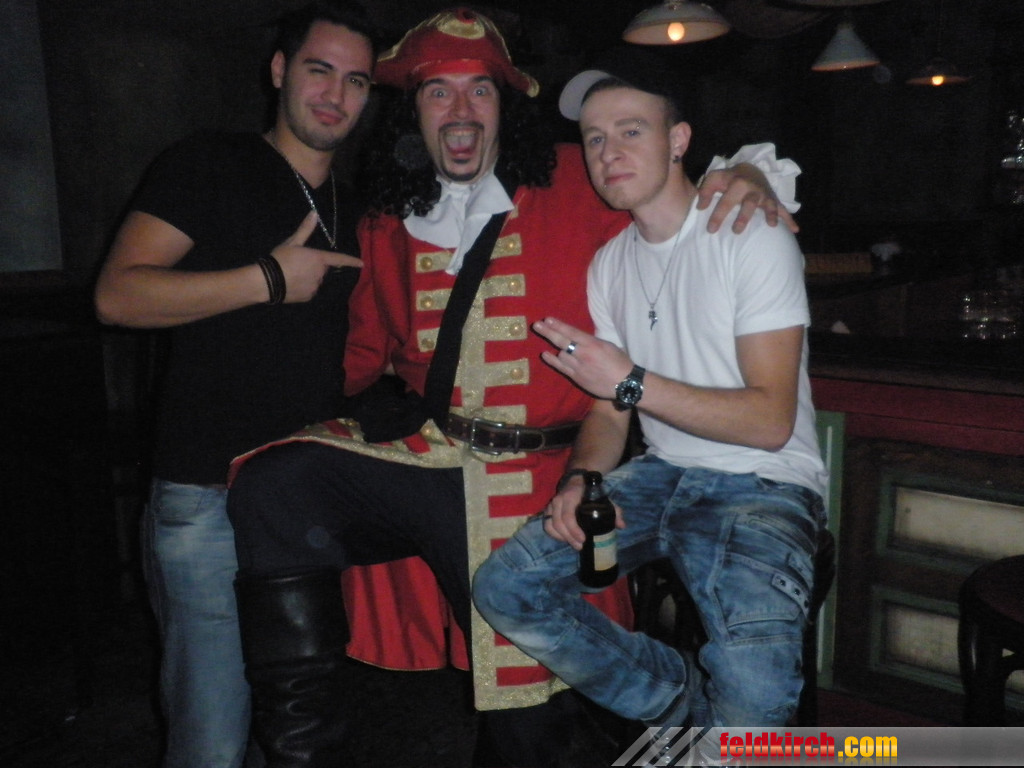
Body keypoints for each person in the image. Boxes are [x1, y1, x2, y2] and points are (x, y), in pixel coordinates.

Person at [226, 8, 798, 766]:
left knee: (530, 724)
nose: (460, 110)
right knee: (275, 483)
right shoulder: (387, 222)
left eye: (481, 91)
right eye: (438, 92)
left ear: (505, 107)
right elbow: (358, 357)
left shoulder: (577, 179)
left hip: (542, 472)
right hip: (433, 459)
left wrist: (749, 170)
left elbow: (661, 172)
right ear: (413, 112)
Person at [472, 45, 829, 750]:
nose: (609, 153)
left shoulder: (749, 233)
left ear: (679, 140)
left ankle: (726, 727)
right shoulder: (610, 263)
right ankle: (684, 705)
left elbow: (768, 421)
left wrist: (631, 382)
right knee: (507, 589)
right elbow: (609, 410)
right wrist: (581, 481)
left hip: (765, 482)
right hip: (662, 475)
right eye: (594, 138)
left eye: (631, 130)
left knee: (756, 704)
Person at [92, 3, 375, 766]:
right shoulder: (210, 163)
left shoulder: (356, 205)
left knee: (293, 733)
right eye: (319, 70)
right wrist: (267, 279)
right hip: (206, 497)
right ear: (279, 71)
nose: (336, 95)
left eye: (356, 81)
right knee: (213, 739)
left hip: (306, 503)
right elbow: (116, 295)